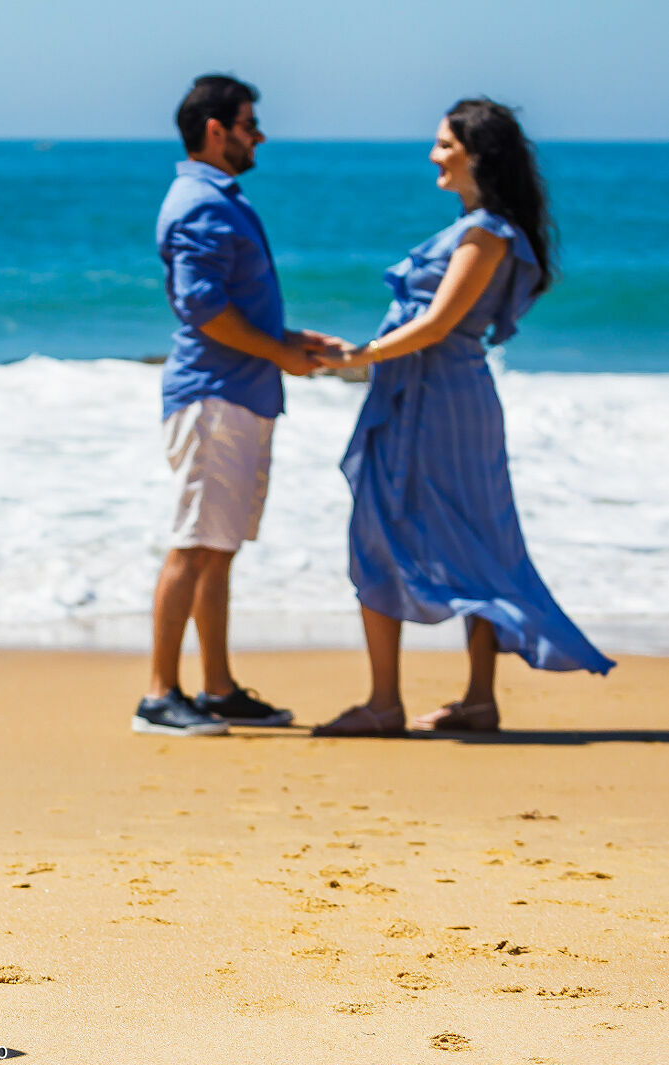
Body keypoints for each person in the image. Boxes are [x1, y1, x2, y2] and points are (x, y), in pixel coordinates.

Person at [313, 99, 614, 737]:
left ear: (479, 154)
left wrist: (355, 356)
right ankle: (470, 701)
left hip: (439, 400)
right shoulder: (482, 226)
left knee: (394, 530)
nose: (434, 155)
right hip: (439, 395)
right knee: (472, 537)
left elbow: (439, 324)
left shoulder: (486, 233)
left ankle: (388, 703)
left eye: (445, 144)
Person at [134, 74, 343, 736]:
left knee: (218, 546)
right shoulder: (198, 202)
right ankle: (158, 695)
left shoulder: (218, 198)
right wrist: (276, 352)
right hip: (215, 393)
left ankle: (216, 687)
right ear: (215, 130)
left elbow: (226, 308)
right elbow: (201, 311)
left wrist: (285, 341)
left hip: (239, 391)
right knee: (194, 543)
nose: (260, 135)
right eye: (250, 123)